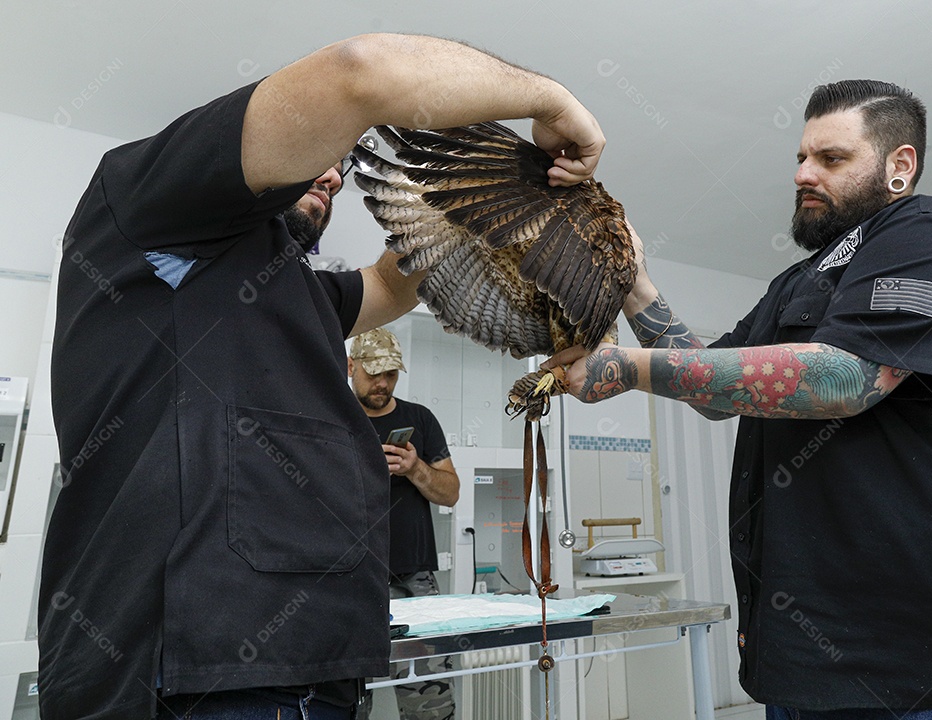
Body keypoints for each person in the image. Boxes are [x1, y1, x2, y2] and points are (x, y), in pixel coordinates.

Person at [41, 33, 605, 720]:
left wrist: (499, 194)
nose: (333, 174)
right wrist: (552, 100)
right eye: (320, 153)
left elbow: (393, 285)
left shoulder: (297, 290)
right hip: (187, 672)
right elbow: (360, 73)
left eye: (341, 164)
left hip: (320, 663)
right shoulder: (146, 208)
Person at [548, 80, 932, 719]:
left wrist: (626, 367)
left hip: (929, 660)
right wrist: (634, 287)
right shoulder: (798, 280)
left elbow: (842, 380)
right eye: (800, 158)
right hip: (806, 659)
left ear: (900, 165)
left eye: (831, 159)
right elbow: (711, 389)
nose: (803, 174)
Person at [347, 328, 459, 720]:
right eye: (374, 372)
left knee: (430, 703)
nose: (382, 383)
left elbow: (451, 492)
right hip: (349, 580)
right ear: (350, 367)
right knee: (348, 701)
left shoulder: (420, 420)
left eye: (391, 373)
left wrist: (415, 469)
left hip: (416, 581)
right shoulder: (332, 415)